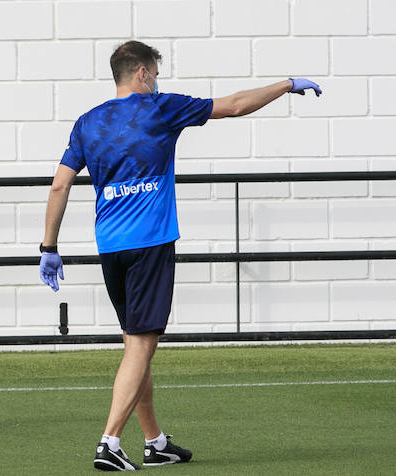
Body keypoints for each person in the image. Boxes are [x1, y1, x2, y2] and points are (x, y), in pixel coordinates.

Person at [39, 40, 322, 471]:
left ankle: (155, 442)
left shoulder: (87, 123)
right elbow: (233, 105)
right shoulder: (161, 108)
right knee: (140, 345)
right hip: (150, 243)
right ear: (142, 73)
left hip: (110, 248)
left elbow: (59, 186)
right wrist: (284, 85)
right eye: (155, 70)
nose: (157, 79)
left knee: (137, 343)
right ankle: (109, 443)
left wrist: (49, 247)